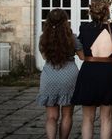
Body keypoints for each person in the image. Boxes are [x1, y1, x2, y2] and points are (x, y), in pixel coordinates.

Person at [71, 0, 112, 139]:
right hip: (109, 72)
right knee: (106, 118)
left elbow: (82, 53)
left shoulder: (84, 28)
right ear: (107, 11)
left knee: (87, 118)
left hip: (89, 71)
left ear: (91, 12)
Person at [37, 8, 85, 139]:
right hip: (69, 76)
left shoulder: (43, 38)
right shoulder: (72, 38)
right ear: (65, 21)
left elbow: (45, 57)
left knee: (51, 117)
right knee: (67, 115)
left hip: (49, 76)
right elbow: (82, 57)